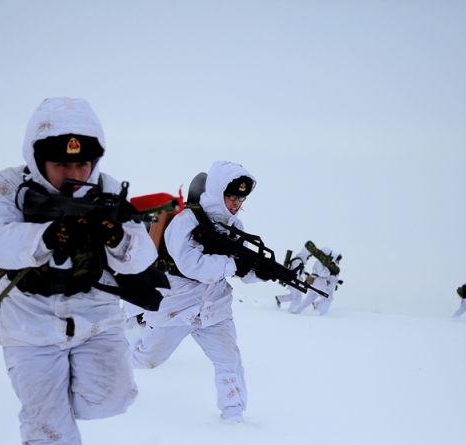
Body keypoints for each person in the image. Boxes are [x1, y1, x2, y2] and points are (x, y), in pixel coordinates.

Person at [0, 97, 157, 445]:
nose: (74, 172)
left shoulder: (108, 189)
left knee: (116, 396)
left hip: (96, 315)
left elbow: (141, 256)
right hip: (29, 321)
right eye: (62, 163)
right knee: (47, 422)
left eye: (82, 163)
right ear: (38, 158)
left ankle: (55, 407)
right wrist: (44, 237)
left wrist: (116, 235)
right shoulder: (12, 184)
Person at [129, 160, 264, 423]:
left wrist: (258, 271)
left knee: (229, 360)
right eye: (231, 196)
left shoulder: (235, 228)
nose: (236, 203)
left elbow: (240, 268)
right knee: (147, 359)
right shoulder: (185, 222)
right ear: (216, 192)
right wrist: (234, 264)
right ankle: (110, 358)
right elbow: (192, 265)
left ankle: (233, 416)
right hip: (177, 306)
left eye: (240, 198)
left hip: (214, 307)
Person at [289, 248, 341, 315]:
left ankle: (296, 311)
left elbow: (326, 275)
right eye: (329, 255)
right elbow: (322, 273)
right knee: (328, 298)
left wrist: (336, 280)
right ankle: (323, 315)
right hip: (318, 282)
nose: (330, 257)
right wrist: (329, 273)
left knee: (309, 299)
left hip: (315, 282)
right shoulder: (320, 262)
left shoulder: (322, 262)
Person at [275, 245, 311, 311]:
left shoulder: (299, 261)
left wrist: (306, 274)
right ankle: (291, 312)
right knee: (297, 297)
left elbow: (299, 272)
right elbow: (294, 272)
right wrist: (297, 281)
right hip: (293, 281)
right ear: (305, 255)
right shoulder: (298, 261)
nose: (308, 258)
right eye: (308, 257)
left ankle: (279, 298)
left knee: (294, 296)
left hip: (294, 280)